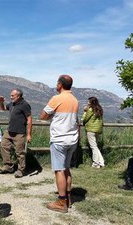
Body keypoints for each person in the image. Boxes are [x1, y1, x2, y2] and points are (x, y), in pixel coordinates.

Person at [40, 75, 79, 213]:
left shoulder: (57, 98)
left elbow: (43, 116)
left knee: (59, 170)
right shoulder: (75, 100)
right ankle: (68, 198)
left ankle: (61, 202)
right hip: (72, 139)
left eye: (57, 83)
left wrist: (52, 115)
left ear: (60, 85)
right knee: (66, 168)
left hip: (59, 139)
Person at [0, 89, 32, 178]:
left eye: (12, 95)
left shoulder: (24, 105)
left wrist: (29, 134)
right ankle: (8, 166)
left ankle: (21, 170)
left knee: (20, 152)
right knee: (3, 145)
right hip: (9, 131)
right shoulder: (12, 104)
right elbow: (3, 108)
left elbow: (29, 118)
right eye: (11, 95)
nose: (11, 97)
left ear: (18, 96)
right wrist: (1, 102)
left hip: (19, 132)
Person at [82, 97, 105, 168]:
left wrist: (85, 111)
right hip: (98, 130)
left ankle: (96, 163)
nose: (88, 103)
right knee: (95, 146)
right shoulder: (99, 109)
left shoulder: (90, 109)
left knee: (93, 147)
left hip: (91, 129)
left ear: (91, 103)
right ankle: (101, 162)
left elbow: (85, 119)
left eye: (89, 102)